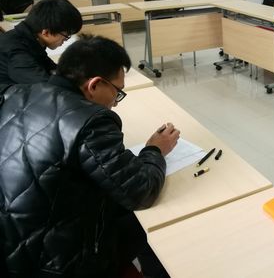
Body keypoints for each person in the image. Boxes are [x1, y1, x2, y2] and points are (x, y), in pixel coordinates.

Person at [0, 35, 180, 277]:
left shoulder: (16, 93)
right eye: (117, 92)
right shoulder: (91, 121)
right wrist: (155, 150)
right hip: (54, 262)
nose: (116, 102)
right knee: (150, 225)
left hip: (11, 240)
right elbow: (140, 190)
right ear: (94, 85)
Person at [0, 0, 82, 86]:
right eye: (66, 36)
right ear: (46, 33)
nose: (65, 41)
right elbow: (47, 87)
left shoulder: (30, 39)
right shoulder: (16, 52)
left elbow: (53, 70)